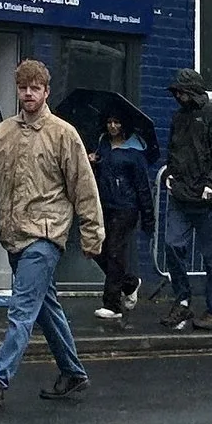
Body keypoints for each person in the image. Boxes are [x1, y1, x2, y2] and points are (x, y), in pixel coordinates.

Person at [0, 59, 103, 408]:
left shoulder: (63, 135)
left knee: (21, 308)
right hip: (14, 235)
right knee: (44, 307)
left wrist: (91, 234)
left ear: (46, 92)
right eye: (23, 87)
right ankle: (73, 372)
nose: (28, 94)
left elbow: (84, 187)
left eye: (34, 88)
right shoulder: (4, 133)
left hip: (46, 234)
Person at [159, 70, 212, 331]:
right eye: (176, 92)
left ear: (192, 92)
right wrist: (169, 172)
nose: (177, 96)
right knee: (171, 245)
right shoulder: (178, 118)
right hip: (182, 194)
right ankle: (182, 298)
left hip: (207, 198)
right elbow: (174, 151)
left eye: (181, 91)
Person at [93, 102, 154, 321]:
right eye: (109, 122)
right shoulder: (103, 146)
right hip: (105, 205)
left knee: (115, 252)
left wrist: (148, 217)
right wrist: (93, 161)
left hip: (127, 208)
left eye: (117, 122)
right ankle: (129, 283)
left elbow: (143, 187)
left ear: (124, 125)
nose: (112, 126)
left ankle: (112, 305)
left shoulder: (135, 153)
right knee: (97, 249)